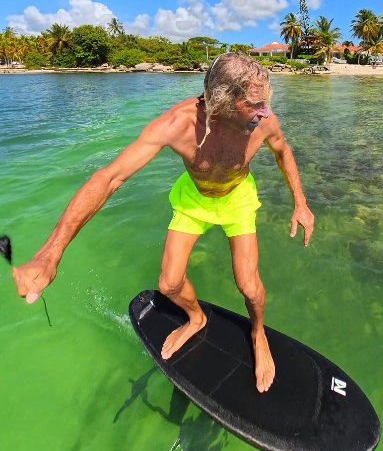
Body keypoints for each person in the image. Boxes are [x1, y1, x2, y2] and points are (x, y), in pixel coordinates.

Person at [12, 53, 315, 393]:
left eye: (266, 103)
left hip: (237, 198)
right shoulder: (176, 125)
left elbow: (283, 151)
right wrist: (51, 253)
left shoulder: (264, 122)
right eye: (255, 104)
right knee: (169, 285)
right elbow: (110, 178)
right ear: (222, 102)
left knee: (249, 286)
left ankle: (258, 333)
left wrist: (300, 203)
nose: (266, 112)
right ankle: (196, 318)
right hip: (194, 200)